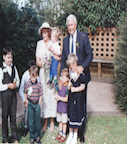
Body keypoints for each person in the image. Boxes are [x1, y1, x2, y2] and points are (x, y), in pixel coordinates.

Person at [60, 14, 93, 143]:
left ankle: (81, 132)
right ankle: (71, 129)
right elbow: (63, 60)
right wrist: (63, 76)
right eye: (68, 25)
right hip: (70, 78)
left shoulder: (83, 37)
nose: (70, 27)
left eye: (71, 25)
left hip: (82, 77)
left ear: (76, 24)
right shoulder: (65, 40)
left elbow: (90, 55)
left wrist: (81, 68)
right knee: (70, 104)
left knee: (81, 104)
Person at [36, 22, 60, 132]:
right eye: (43, 33)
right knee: (44, 96)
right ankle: (45, 121)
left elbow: (58, 57)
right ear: (41, 33)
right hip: (43, 74)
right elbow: (37, 62)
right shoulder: (39, 44)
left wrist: (50, 63)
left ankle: (51, 121)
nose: (44, 34)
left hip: (51, 74)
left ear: (49, 33)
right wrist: (44, 64)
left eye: (46, 32)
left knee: (51, 95)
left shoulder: (53, 43)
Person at [0, 46, 20, 144]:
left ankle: (14, 138)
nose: (10, 59)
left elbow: (18, 81)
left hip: (13, 97)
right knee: (5, 117)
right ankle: (5, 139)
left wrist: (15, 85)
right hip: (5, 97)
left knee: (13, 117)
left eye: (11, 57)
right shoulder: (1, 69)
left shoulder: (14, 68)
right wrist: (7, 86)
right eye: (8, 57)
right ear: (4, 57)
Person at [65, 54, 86, 144]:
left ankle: (75, 134)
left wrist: (75, 89)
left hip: (78, 98)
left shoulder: (80, 75)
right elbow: (69, 86)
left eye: (72, 66)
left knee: (77, 114)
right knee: (71, 113)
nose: (71, 68)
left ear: (75, 64)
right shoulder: (71, 75)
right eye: (69, 67)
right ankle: (70, 133)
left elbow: (83, 86)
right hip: (71, 97)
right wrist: (69, 86)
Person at [19, 60, 40, 137]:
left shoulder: (37, 76)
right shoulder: (25, 75)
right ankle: (26, 127)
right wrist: (25, 100)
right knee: (27, 112)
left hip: (35, 98)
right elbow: (21, 89)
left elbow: (39, 87)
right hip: (27, 98)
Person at [24, 65, 43, 144]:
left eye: (34, 77)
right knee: (31, 121)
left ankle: (37, 137)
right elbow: (25, 92)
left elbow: (41, 95)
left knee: (37, 121)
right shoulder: (28, 84)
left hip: (36, 104)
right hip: (30, 104)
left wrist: (39, 104)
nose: (33, 79)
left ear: (37, 76)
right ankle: (32, 137)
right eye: (32, 77)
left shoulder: (39, 85)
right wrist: (26, 100)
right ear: (30, 75)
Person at [54, 68, 69, 143]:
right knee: (59, 121)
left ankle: (64, 134)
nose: (61, 79)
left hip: (64, 108)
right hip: (59, 107)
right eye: (61, 77)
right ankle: (60, 133)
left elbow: (67, 99)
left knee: (64, 122)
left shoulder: (67, 88)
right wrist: (56, 96)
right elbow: (56, 92)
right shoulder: (59, 85)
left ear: (67, 79)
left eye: (63, 77)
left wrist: (59, 98)